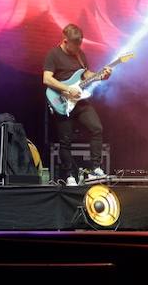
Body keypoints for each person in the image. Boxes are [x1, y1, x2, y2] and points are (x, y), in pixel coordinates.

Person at [43, 24, 111, 185]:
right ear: (65, 41)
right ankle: (69, 175)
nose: (78, 48)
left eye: (79, 44)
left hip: (79, 101)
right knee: (65, 141)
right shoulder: (53, 54)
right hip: (61, 101)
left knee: (97, 128)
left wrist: (102, 76)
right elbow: (46, 79)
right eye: (75, 44)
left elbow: (86, 74)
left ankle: (95, 169)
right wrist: (67, 89)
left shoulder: (80, 55)